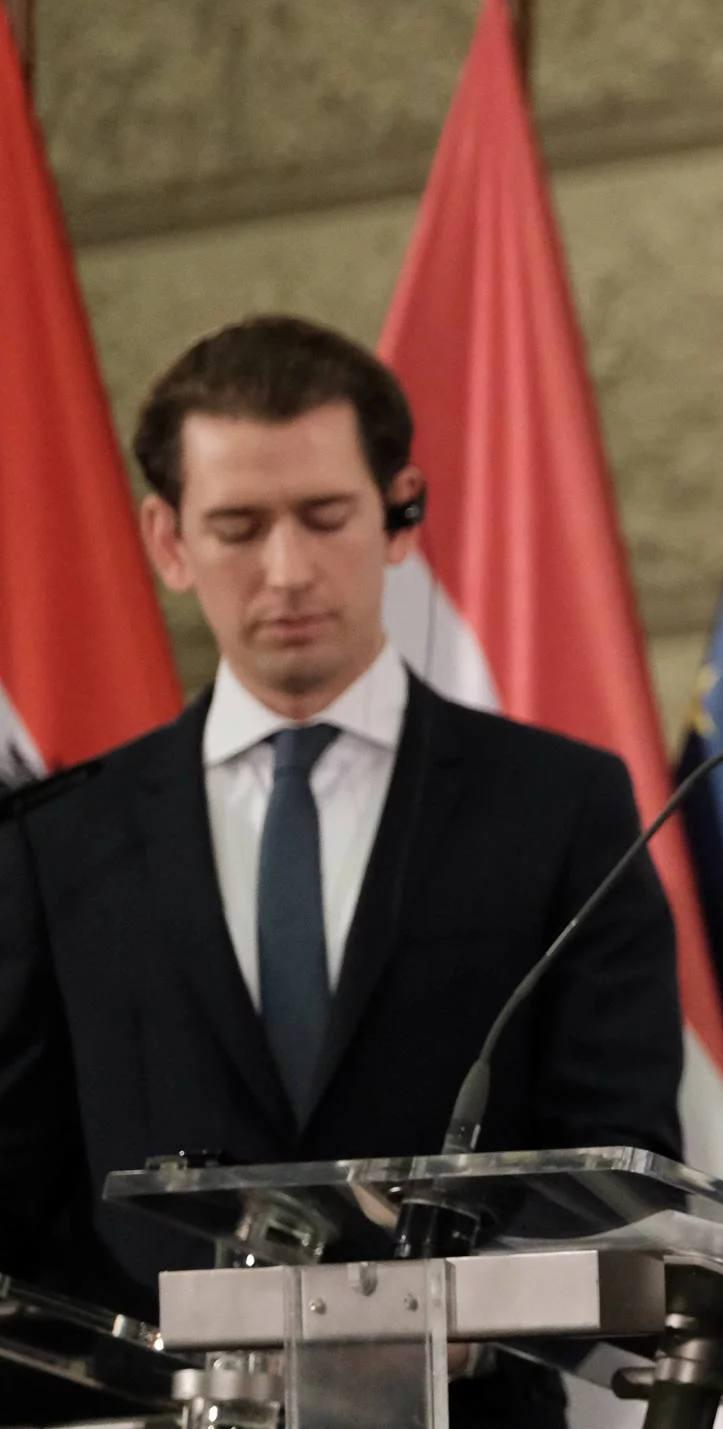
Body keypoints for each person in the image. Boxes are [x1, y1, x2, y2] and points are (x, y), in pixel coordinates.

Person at [0, 316, 682, 1429]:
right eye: (238, 526)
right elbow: (18, 1190)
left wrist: (478, 1298)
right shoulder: (53, 838)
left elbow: (623, 1156)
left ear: (401, 509)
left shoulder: (558, 805)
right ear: (167, 540)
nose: (288, 569)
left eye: (325, 516)